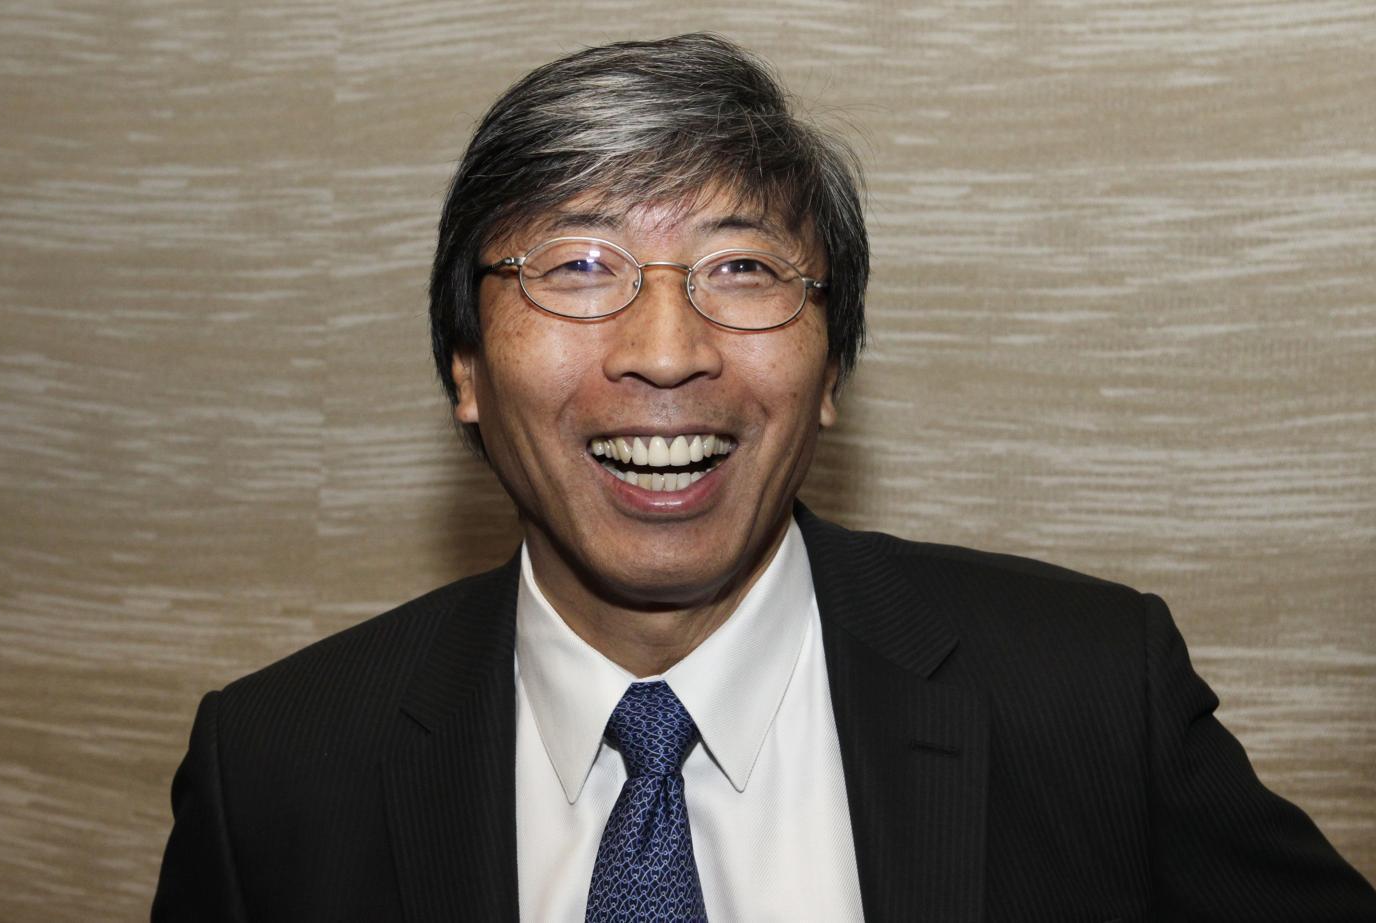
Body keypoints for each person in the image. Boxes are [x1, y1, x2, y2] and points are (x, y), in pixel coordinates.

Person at [152, 33, 1376, 922]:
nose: (669, 352)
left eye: (742, 269)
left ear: (834, 367)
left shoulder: (1095, 694)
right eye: (581, 265)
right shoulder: (274, 770)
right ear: (465, 366)